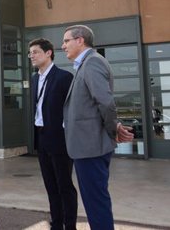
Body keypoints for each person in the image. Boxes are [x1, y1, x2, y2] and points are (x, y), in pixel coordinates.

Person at [61, 25, 133, 230]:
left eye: (66, 41)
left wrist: (113, 130)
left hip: (90, 147)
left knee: (96, 202)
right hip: (86, 147)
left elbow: (106, 102)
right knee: (94, 201)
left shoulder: (92, 63)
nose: (63, 45)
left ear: (80, 40)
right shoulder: (86, 64)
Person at [29, 38, 78, 230]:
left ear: (48, 53)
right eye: (30, 53)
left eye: (35, 52)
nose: (31, 55)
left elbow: (73, 109)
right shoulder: (34, 79)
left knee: (64, 185)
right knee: (50, 185)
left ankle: (70, 225)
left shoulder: (64, 77)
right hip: (41, 137)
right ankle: (57, 223)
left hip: (60, 138)